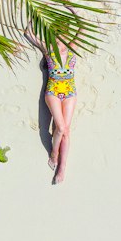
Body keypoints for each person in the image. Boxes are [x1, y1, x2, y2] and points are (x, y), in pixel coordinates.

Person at [24, 23, 77, 184]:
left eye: (62, 37)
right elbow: (28, 32)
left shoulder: (72, 47)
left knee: (66, 131)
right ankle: (54, 153)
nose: (59, 40)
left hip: (70, 93)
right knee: (60, 128)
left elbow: (82, 27)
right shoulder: (48, 49)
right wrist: (35, 13)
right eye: (55, 37)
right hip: (53, 92)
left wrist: (72, 10)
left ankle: (62, 167)